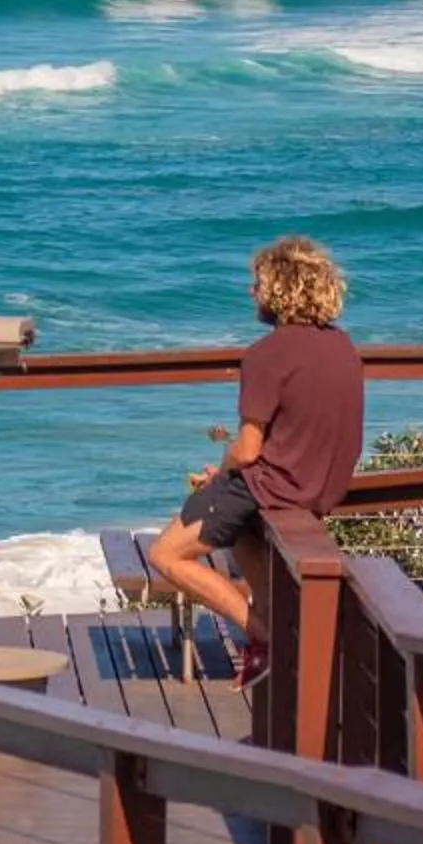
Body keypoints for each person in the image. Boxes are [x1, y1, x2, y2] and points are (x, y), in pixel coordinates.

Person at [145, 236, 364, 689]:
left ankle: (264, 635)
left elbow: (247, 449)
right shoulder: (344, 347)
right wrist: (234, 475)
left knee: (166, 554)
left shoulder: (267, 354)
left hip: (274, 485)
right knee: (239, 528)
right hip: (320, 486)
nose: (252, 292)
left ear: (281, 289)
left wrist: (224, 474)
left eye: (258, 284)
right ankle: (276, 633)